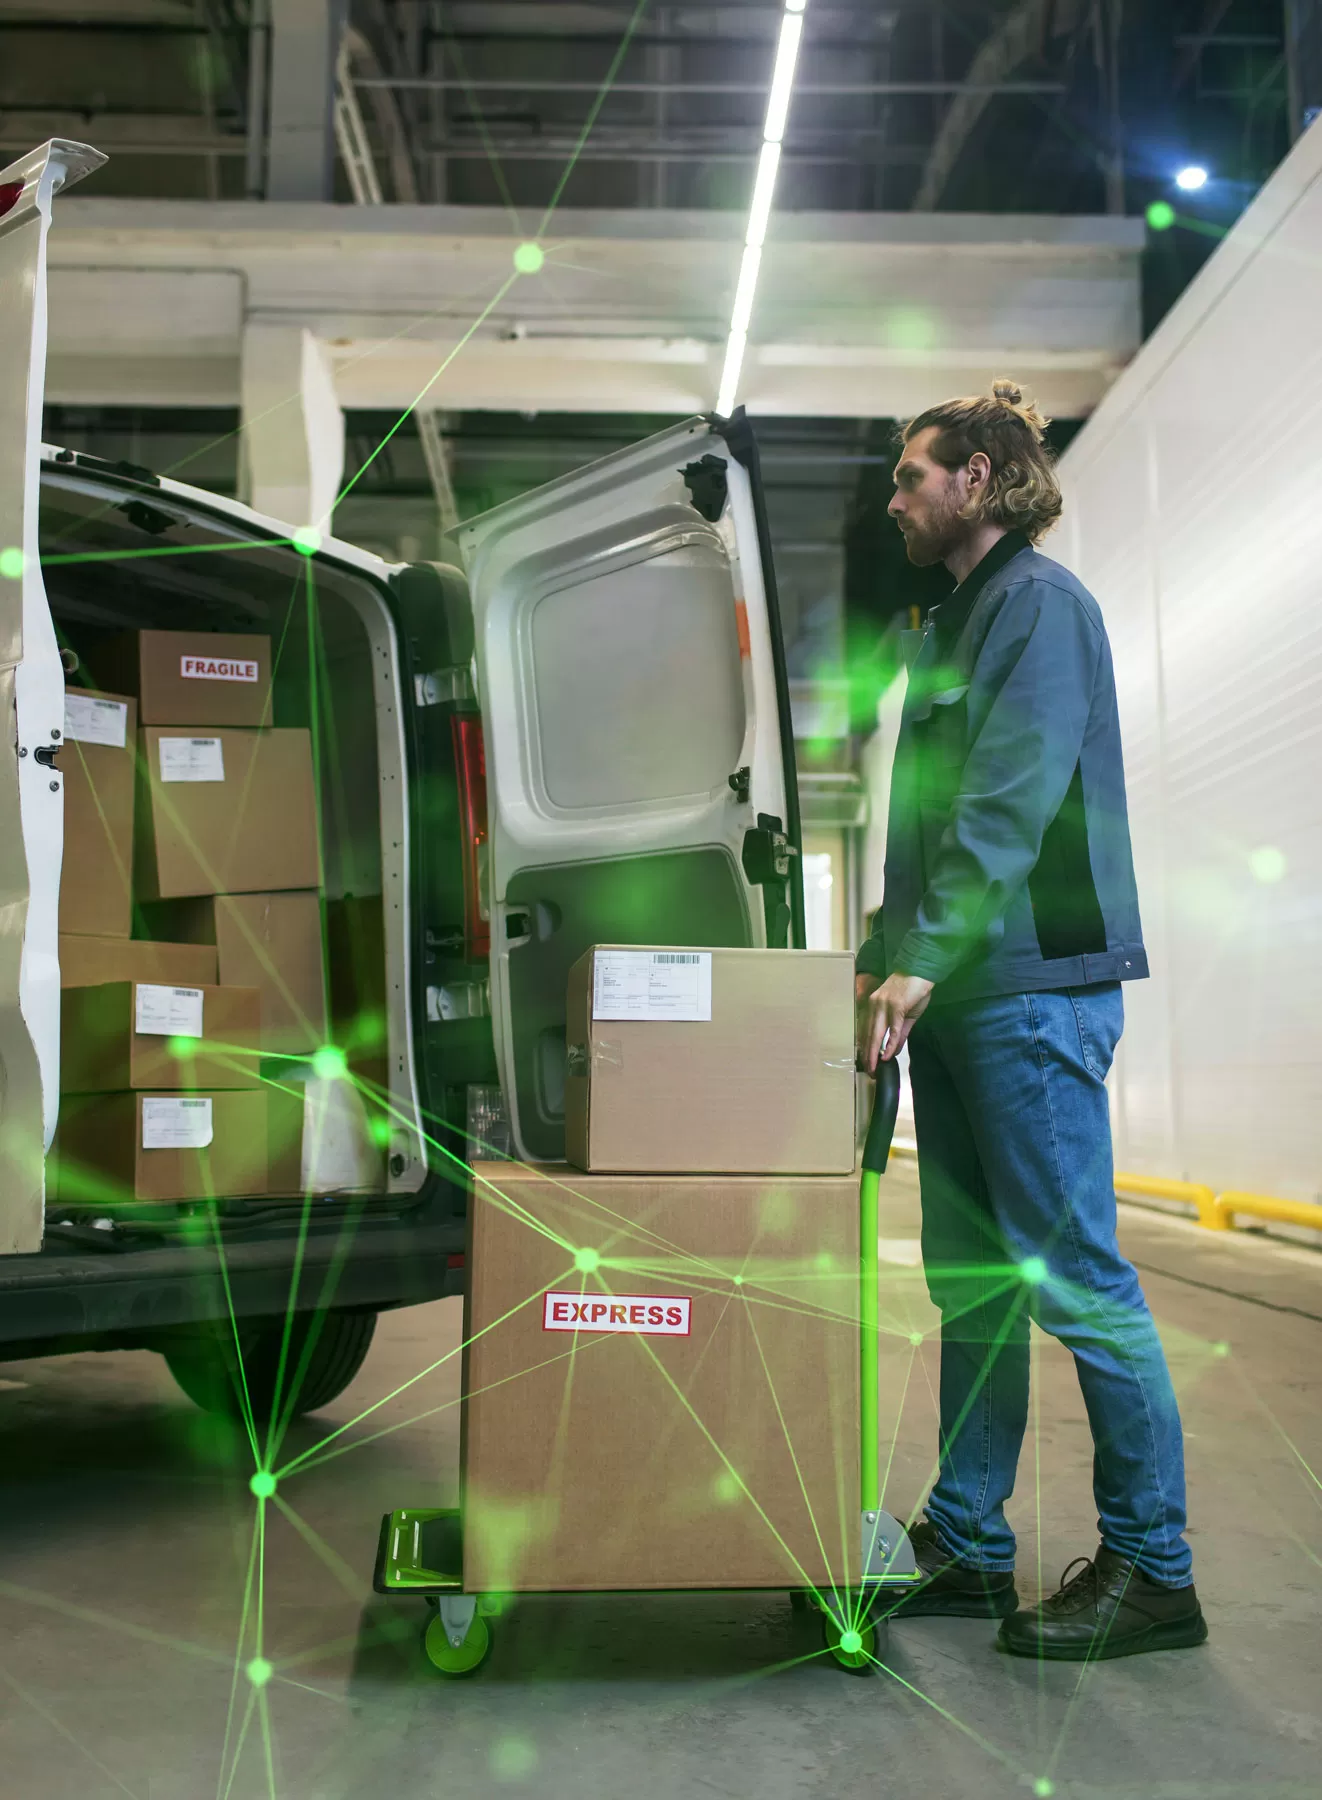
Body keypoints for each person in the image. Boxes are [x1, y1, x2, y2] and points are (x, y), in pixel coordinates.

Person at [856, 379, 1207, 1661]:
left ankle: (1152, 1568)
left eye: (911, 476)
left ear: (980, 478)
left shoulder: (1041, 609)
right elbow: (929, 819)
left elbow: (1006, 798)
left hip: (1028, 992)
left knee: (1076, 1282)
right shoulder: (955, 620)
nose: (893, 497)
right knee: (973, 1287)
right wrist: (880, 954)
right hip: (957, 992)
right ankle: (966, 1540)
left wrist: (926, 955)